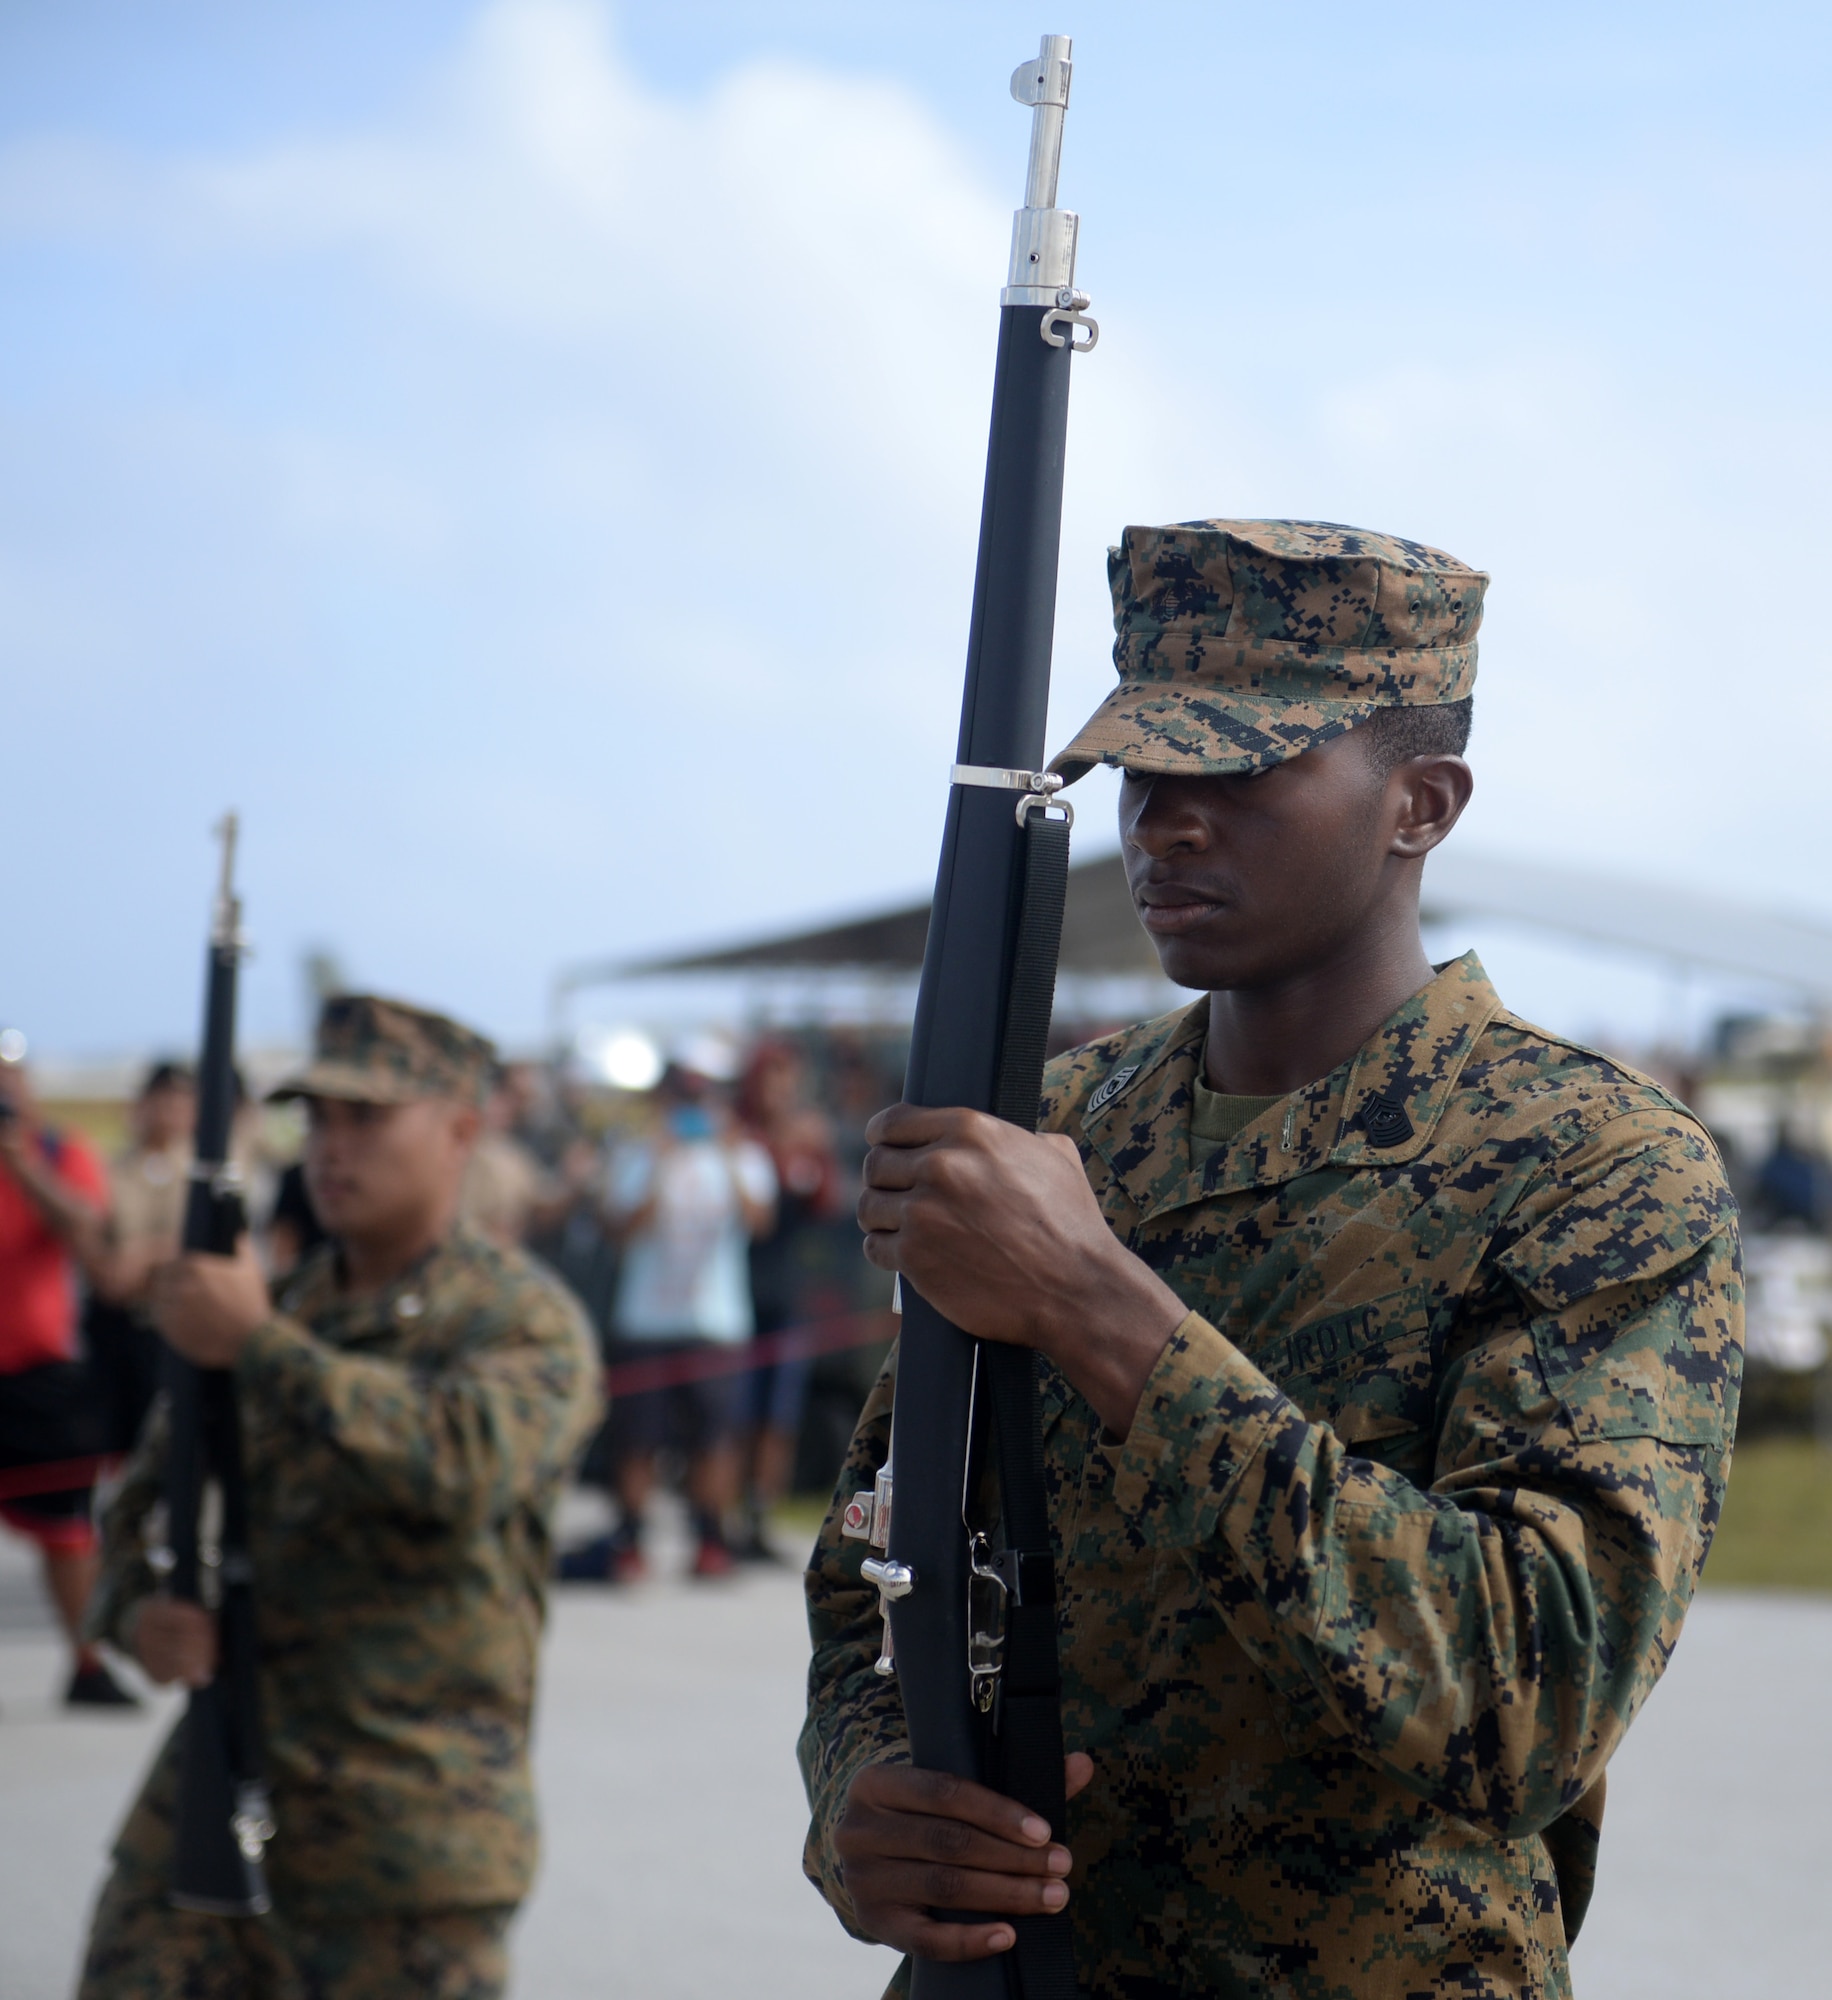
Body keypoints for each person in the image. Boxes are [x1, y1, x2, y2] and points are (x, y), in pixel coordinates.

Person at [800, 520, 1743, 1999]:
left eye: (1240, 773)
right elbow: (879, 1559)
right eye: (1145, 774)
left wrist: (1100, 1310)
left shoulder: (1598, 1167)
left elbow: (1532, 1694)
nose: (1167, 821)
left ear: (1419, 804)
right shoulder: (1054, 1125)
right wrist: (861, 1802)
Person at [76, 994, 602, 2000]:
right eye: (316, 1118)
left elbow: (461, 1463)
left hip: (406, 1842)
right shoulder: (275, 1303)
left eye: (366, 1116)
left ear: (459, 1128)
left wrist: (261, 1347)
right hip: (217, 1798)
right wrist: (135, 1611)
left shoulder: (519, 1319)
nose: (330, 1147)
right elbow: (135, 1504)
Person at [565, 1058, 775, 1582]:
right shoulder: (640, 1156)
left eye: (699, 1100)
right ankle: (630, 1540)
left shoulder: (741, 1155)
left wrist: (725, 1155)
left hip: (715, 1320)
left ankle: (709, 1538)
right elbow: (618, 1230)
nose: (690, 1111)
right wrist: (658, 1164)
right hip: (647, 1320)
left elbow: (758, 1222)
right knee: (637, 1439)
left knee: (714, 1437)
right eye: (681, 1099)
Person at [0, 1032, 135, 1706]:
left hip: (36, 1372)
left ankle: (87, 1662)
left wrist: (20, 1163)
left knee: (66, 1527)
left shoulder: (57, 1153)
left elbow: (89, 1236)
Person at [734, 1040, 844, 1558]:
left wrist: (813, 1153)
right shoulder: (737, 1135)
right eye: (770, 1077)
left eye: (787, 1078)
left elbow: (825, 1203)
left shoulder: (807, 1137)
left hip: (788, 1293)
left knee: (778, 1415)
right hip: (733, 1294)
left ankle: (759, 1516)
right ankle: (719, 1518)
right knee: (733, 1412)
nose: (780, 1090)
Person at [84, 1061, 197, 1457]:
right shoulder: (115, 1169)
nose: (171, 1112)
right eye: (163, 1100)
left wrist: (143, 1254)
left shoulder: (200, 1171)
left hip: (180, 1329)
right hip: (123, 1331)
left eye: (182, 1102)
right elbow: (108, 1268)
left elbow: (200, 1247)